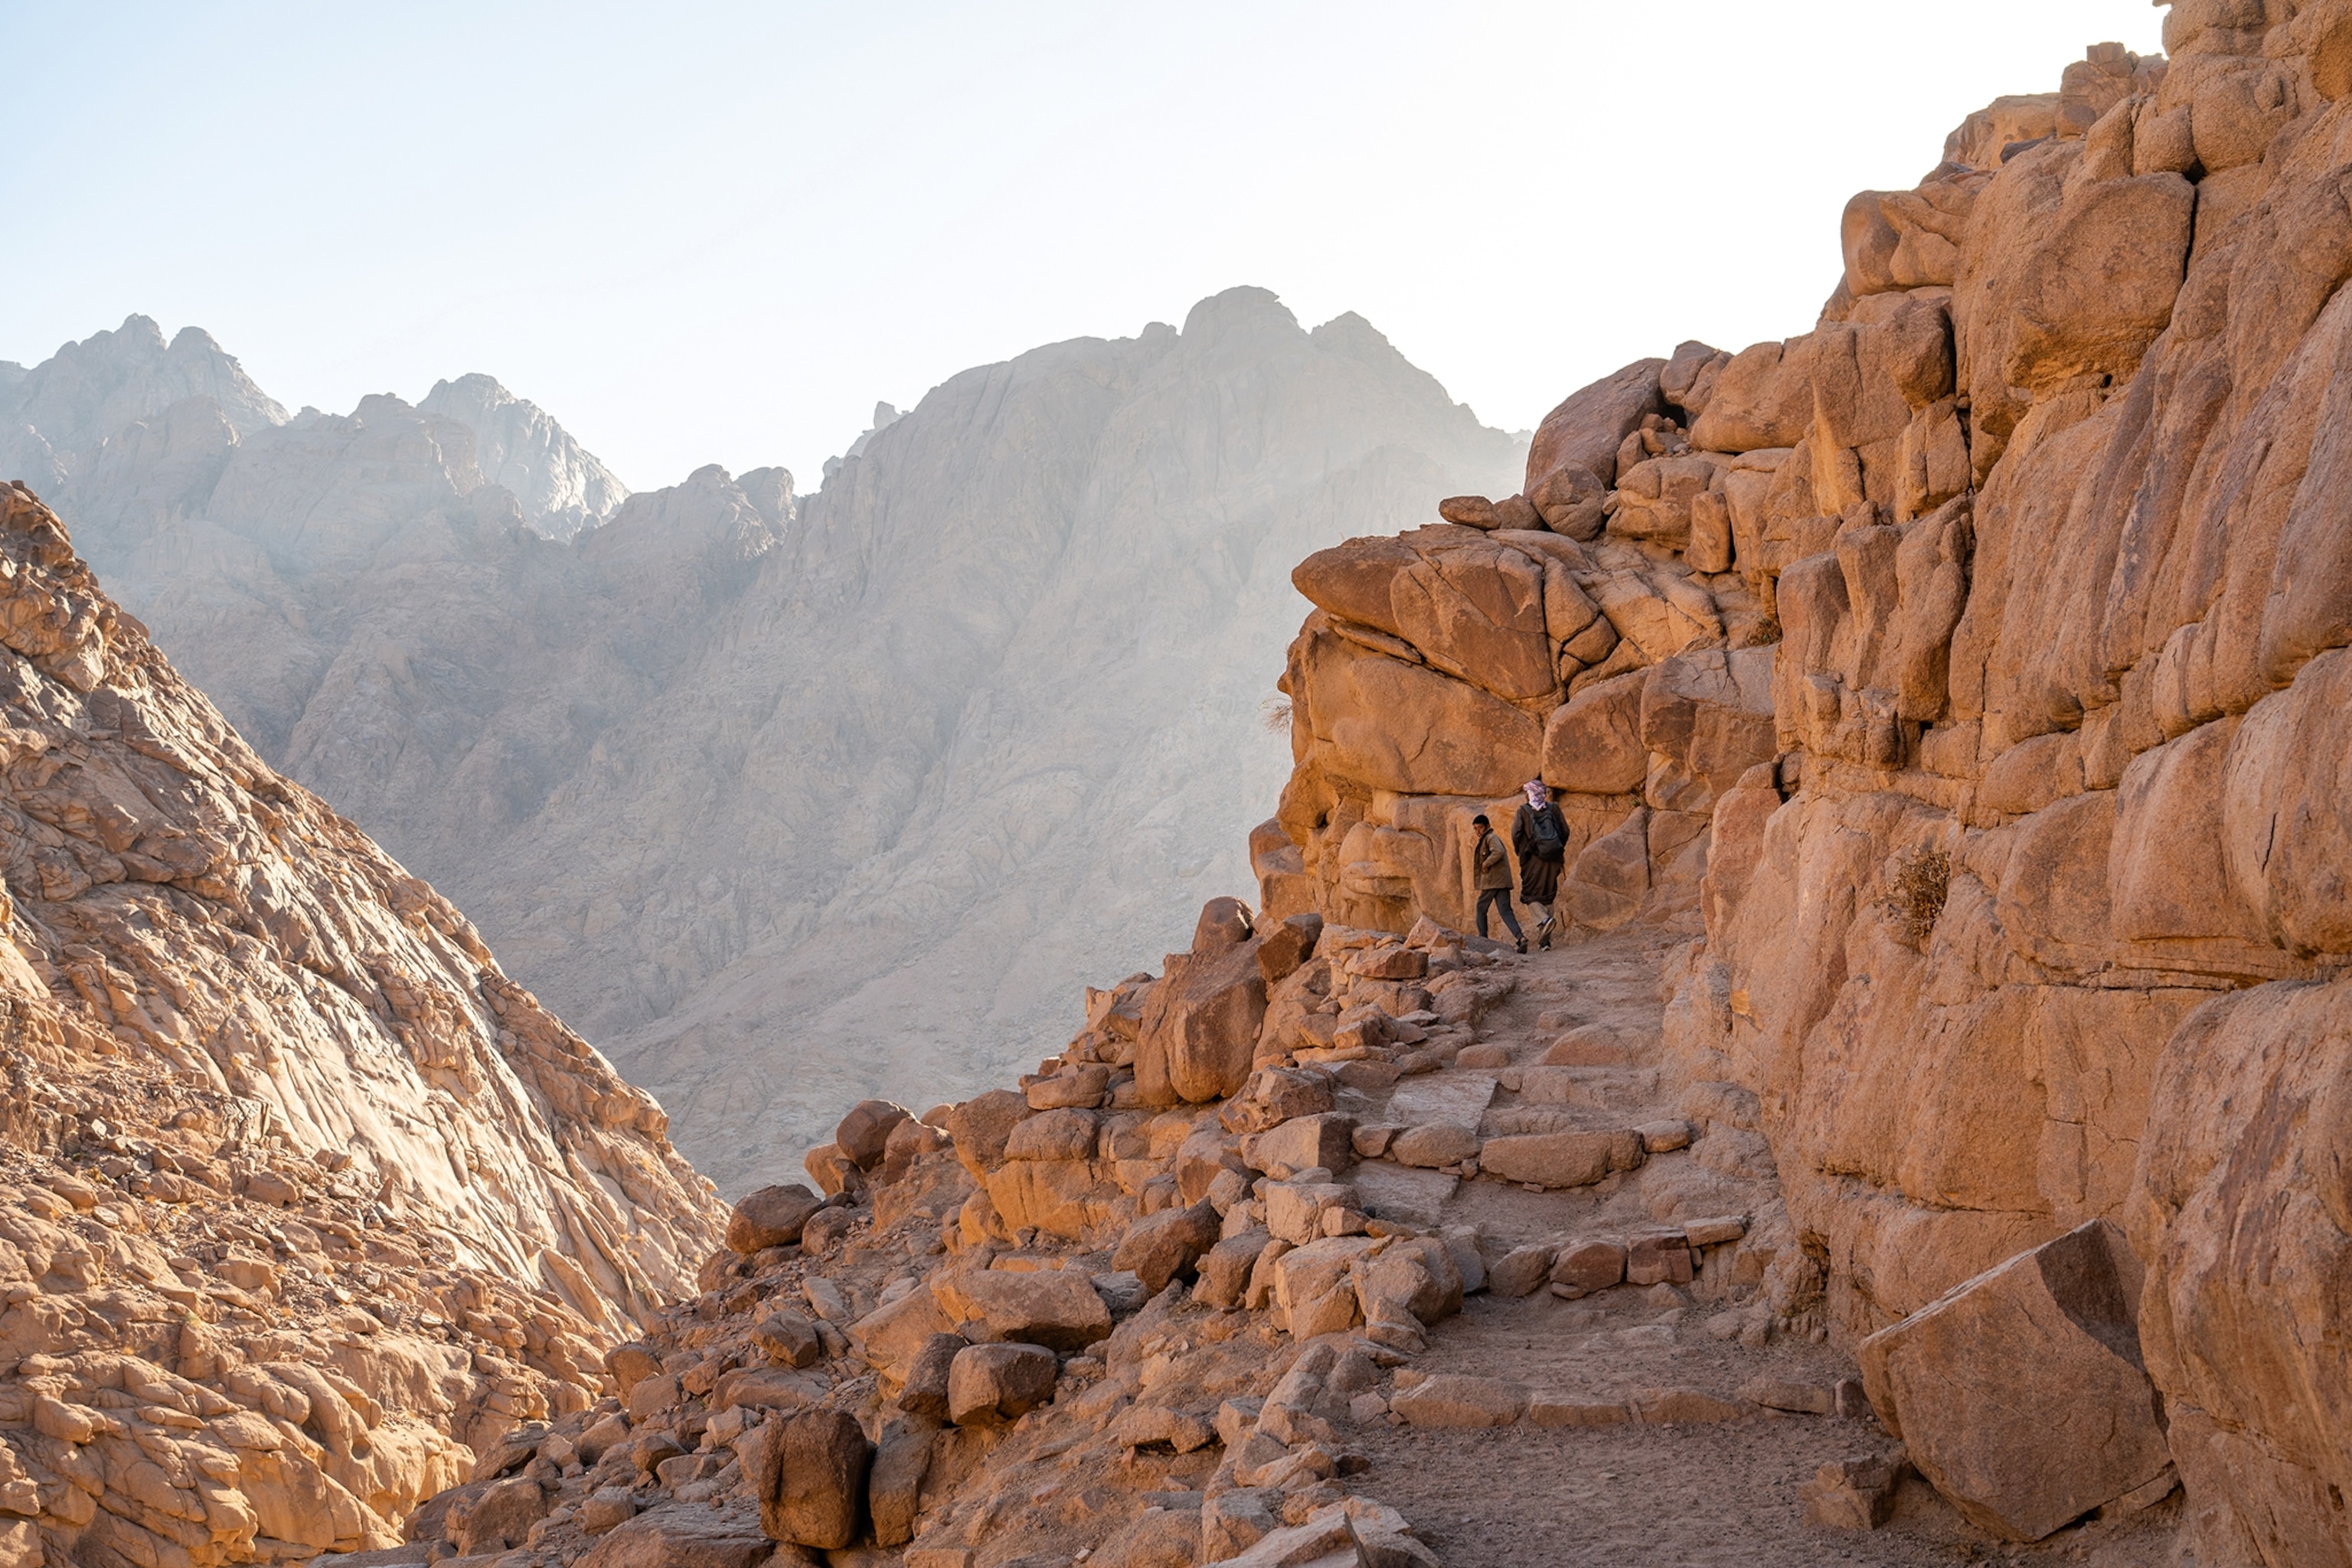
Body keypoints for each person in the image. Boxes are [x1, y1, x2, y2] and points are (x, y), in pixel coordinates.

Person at [1512, 779, 1570, 949]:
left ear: (1529, 793)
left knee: (1530, 895)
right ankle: (1545, 941)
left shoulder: (1523, 811)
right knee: (1548, 894)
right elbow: (1565, 831)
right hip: (1554, 859)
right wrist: (1556, 848)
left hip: (1533, 859)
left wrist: (1522, 852)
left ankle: (1544, 921)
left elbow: (1516, 834)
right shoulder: (1554, 808)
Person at [1468, 813, 1525, 953]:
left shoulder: (1490, 837)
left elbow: (1498, 851)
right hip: (1501, 881)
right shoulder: (1488, 838)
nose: (1478, 832)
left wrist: (1486, 863)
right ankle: (1521, 938)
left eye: (1480, 828)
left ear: (1487, 826)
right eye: (1475, 829)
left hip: (1493, 881)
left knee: (1481, 908)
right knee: (1505, 911)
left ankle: (1483, 941)